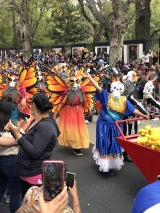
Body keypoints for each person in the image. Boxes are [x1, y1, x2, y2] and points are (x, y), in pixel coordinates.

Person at [83, 72, 149, 176]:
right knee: (105, 143)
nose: (117, 91)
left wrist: (144, 115)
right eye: (115, 88)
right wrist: (90, 77)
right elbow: (99, 88)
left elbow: (133, 110)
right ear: (112, 89)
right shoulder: (107, 96)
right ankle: (105, 167)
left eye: (119, 89)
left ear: (122, 91)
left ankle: (110, 165)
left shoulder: (124, 100)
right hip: (104, 125)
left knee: (114, 144)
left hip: (116, 126)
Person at [3, 92, 60, 199]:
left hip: (34, 176)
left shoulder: (46, 126)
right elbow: (28, 140)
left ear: (33, 105)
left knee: (33, 207)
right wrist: (13, 130)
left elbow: (35, 152)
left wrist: (17, 135)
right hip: (26, 173)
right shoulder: (36, 121)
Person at [0, 93, 21, 213]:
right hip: (12, 161)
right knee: (15, 192)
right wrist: (19, 140)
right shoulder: (13, 125)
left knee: (1, 187)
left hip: (2, 161)